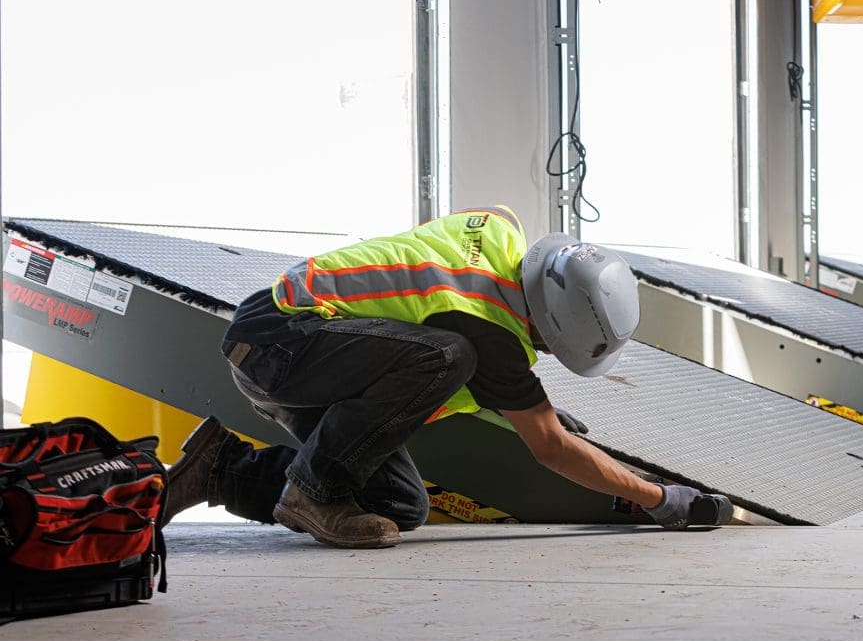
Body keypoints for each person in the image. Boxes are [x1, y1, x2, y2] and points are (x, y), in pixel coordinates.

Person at [163, 206, 732, 547]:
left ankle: (221, 470)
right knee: (446, 355)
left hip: (311, 349)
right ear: (550, 325)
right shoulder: (486, 330)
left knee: (399, 507)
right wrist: (660, 499)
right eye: (554, 346)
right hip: (281, 343)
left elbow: (413, 318)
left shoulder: (495, 233)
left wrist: (517, 401)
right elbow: (551, 450)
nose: (549, 356)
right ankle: (312, 490)